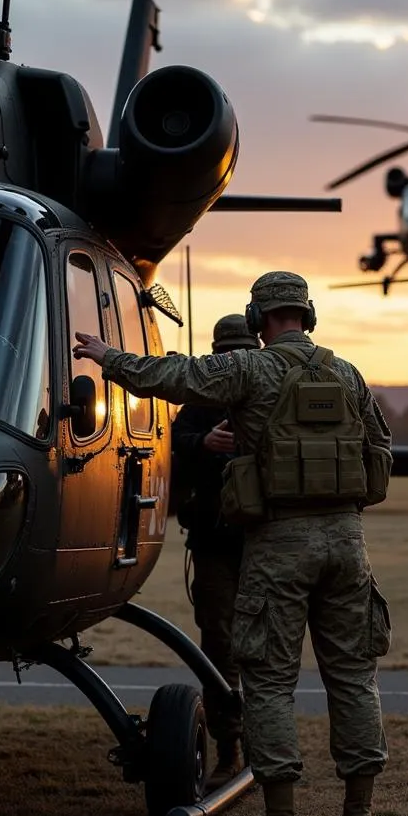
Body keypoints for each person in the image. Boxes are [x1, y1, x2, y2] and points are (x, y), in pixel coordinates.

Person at [73, 271, 392, 816]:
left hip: (278, 542)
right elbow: (381, 451)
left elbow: (173, 376)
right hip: (349, 543)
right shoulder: (347, 374)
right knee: (353, 677)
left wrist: (105, 356)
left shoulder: (250, 369)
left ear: (257, 320)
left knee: (268, 681)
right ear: (307, 314)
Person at [171, 313, 259, 791]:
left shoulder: (267, 393)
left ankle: (268, 747)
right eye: (223, 354)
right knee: (218, 645)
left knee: (266, 646)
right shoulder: (201, 401)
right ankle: (229, 749)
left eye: (240, 352)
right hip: (211, 544)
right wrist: (203, 442)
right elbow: (174, 442)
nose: (231, 362)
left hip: (263, 542)